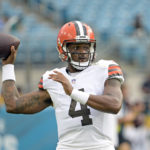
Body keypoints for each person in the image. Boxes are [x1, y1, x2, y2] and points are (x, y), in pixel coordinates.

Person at [1, 21, 124, 150]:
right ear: (63, 49)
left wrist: (73, 92)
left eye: (86, 47)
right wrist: (8, 66)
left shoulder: (105, 69)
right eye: (76, 47)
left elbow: (114, 104)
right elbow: (13, 105)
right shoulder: (54, 79)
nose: (82, 52)